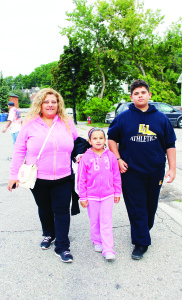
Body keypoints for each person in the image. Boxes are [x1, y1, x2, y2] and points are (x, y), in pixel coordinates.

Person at [7, 88, 78, 263]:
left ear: (58, 104)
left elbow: (78, 143)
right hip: (38, 178)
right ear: (40, 104)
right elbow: (19, 150)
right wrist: (13, 175)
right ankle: (48, 234)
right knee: (44, 208)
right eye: (46, 101)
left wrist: (83, 155)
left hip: (63, 177)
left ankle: (62, 246)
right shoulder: (29, 125)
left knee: (61, 211)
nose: (50, 105)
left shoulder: (67, 122)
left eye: (54, 101)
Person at [108, 79, 176, 260]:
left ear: (149, 95)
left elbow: (170, 144)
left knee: (150, 208)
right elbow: (111, 139)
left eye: (143, 92)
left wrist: (172, 168)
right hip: (131, 172)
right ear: (131, 97)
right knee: (137, 207)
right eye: (136, 93)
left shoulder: (161, 118)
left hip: (155, 171)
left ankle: (143, 231)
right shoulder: (123, 117)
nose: (140, 96)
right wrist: (118, 158)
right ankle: (141, 243)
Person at [77, 127, 121, 260]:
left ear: (105, 140)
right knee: (95, 221)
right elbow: (81, 179)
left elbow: (116, 175)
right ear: (89, 141)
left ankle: (108, 249)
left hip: (108, 194)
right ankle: (97, 241)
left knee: (106, 221)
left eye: (101, 138)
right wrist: (82, 197)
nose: (98, 141)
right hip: (91, 196)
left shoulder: (111, 156)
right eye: (95, 138)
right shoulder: (85, 157)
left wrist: (117, 192)